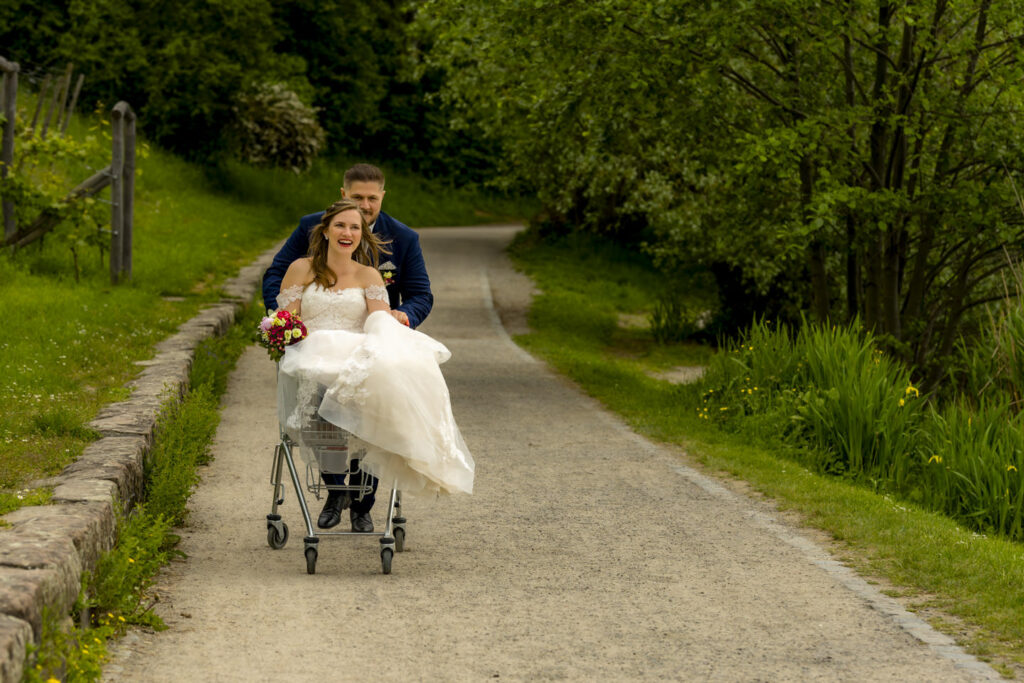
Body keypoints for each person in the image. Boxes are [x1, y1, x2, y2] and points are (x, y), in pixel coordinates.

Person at [274, 199, 474, 533]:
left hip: (355, 352)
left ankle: (363, 502)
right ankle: (337, 490)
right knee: (317, 386)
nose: (347, 233)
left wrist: (392, 322)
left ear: (363, 236)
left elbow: (379, 320)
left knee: (378, 386)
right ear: (325, 231)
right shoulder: (301, 269)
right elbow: (287, 318)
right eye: (340, 225)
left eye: (355, 228)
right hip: (313, 351)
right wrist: (283, 332)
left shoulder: (369, 274)